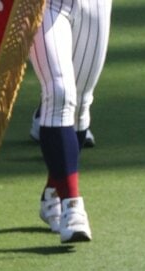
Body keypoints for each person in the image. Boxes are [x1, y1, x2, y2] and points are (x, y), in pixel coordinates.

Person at [29, 0, 113, 242]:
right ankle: (72, 206)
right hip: (44, 5)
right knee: (59, 94)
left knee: (80, 103)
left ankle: (53, 191)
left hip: (95, 5)